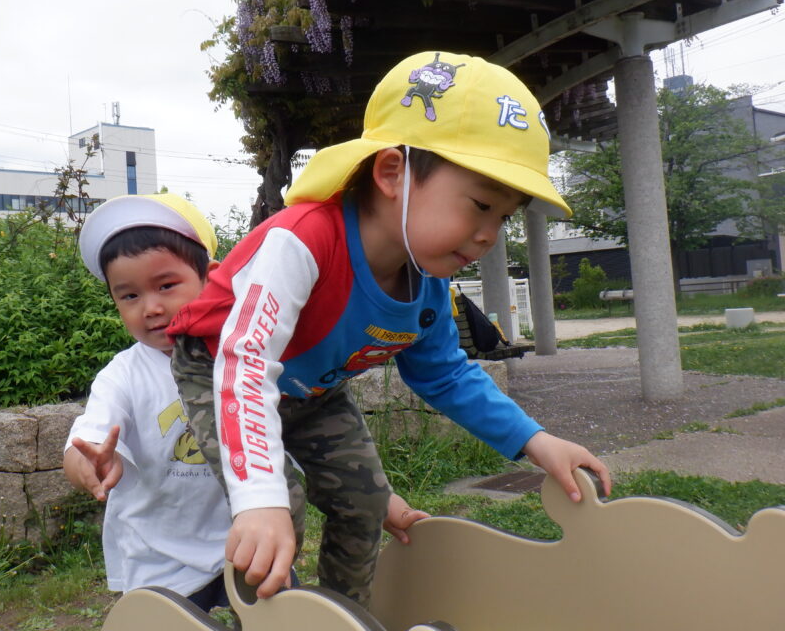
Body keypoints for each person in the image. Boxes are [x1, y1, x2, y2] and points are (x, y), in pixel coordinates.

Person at [167, 51, 613, 607]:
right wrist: (257, 499)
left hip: (312, 392)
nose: (489, 234)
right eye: (480, 205)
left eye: (503, 217)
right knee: (277, 506)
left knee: (365, 502)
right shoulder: (302, 241)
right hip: (220, 370)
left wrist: (537, 442)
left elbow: (446, 375)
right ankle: (273, 621)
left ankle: (346, 616)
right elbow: (246, 361)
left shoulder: (427, 285)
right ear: (391, 173)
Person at [63, 193, 427, 613]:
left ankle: (340, 616)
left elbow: (314, 442)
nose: (152, 307)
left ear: (212, 280)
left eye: (166, 286)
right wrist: (89, 463)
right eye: (129, 296)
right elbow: (86, 439)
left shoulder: (250, 360)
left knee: (276, 617)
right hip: (160, 563)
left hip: (253, 545)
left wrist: (378, 499)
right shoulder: (123, 375)